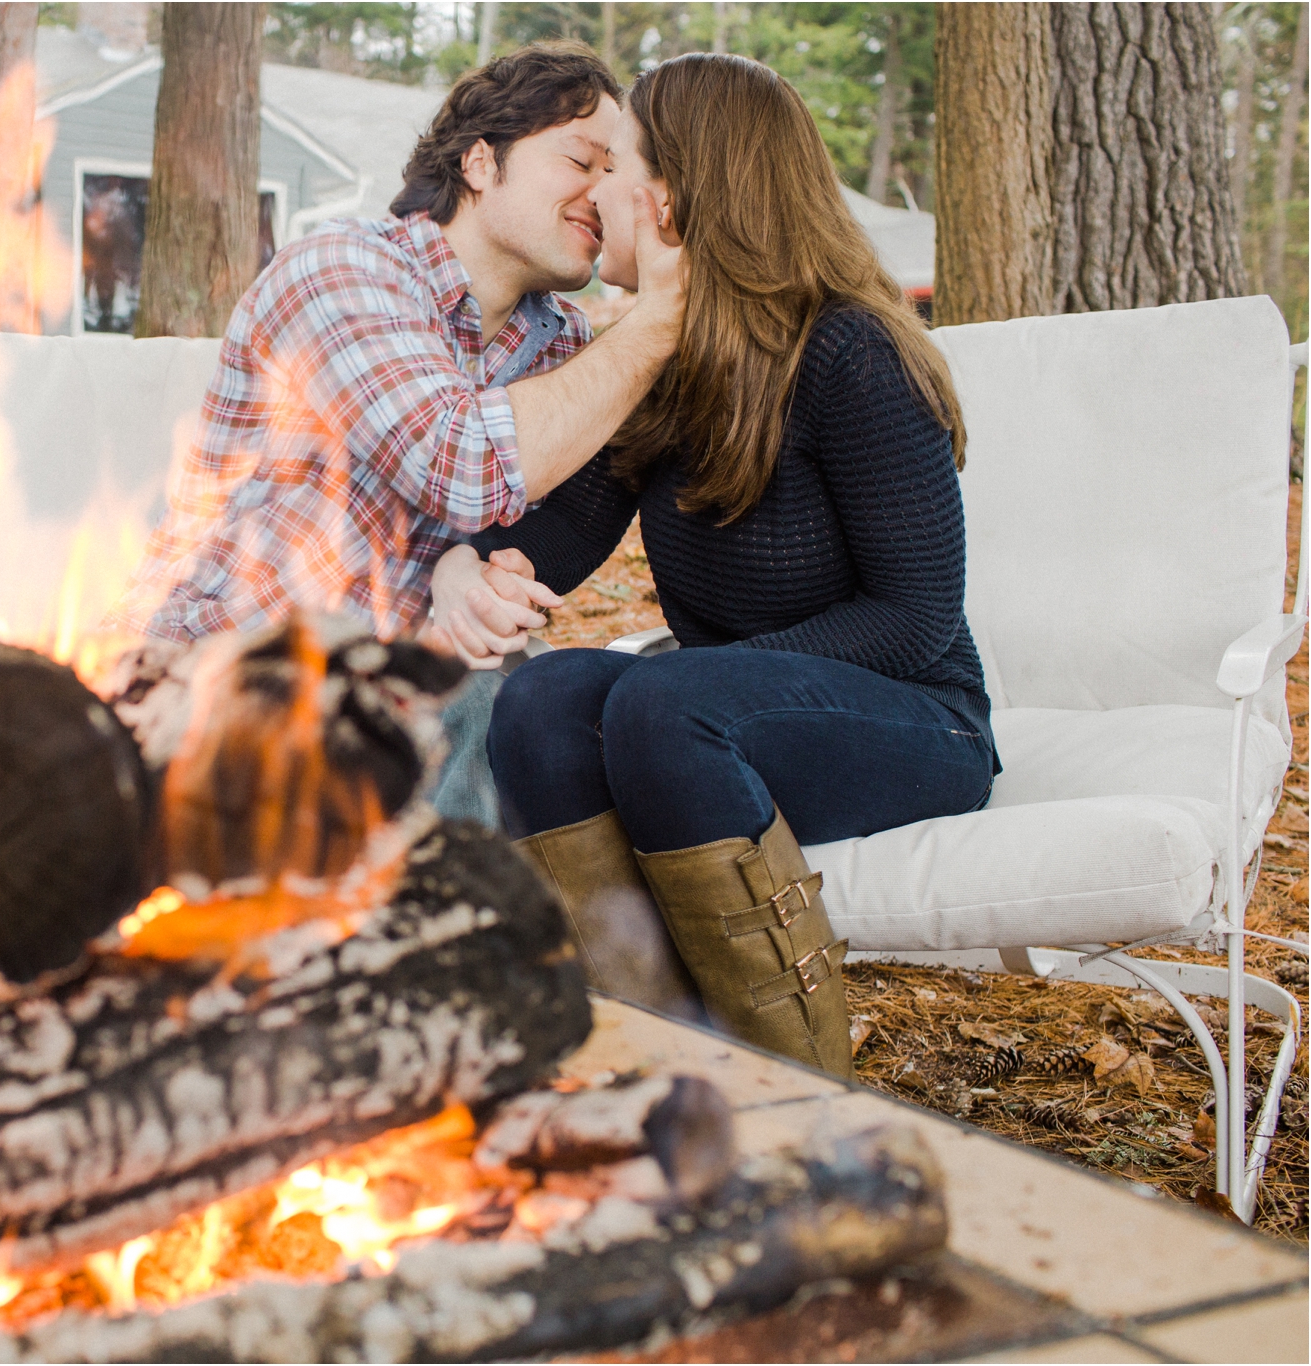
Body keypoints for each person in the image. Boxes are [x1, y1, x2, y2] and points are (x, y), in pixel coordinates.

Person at [462, 53, 998, 1077]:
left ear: (667, 197)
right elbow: (556, 542)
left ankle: (789, 1101)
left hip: (916, 721)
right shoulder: (658, 361)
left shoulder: (851, 352)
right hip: (715, 719)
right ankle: (654, 1067)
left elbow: (915, 617)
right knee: (542, 700)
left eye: (608, 164)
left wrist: (700, 683)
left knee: (661, 704)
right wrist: (448, 574)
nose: (588, 191)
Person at [107, 42, 688, 825]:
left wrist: (468, 572)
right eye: (582, 160)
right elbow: (463, 465)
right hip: (216, 685)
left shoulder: (560, 346)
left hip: (391, 702)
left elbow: (558, 520)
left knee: (554, 705)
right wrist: (660, 315)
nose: (603, 193)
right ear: (482, 162)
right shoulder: (346, 270)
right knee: (479, 701)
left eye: (615, 172)